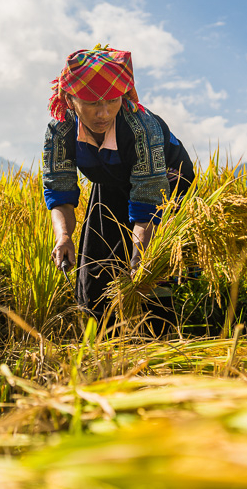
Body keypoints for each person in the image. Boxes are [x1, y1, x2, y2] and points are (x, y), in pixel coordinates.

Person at [42, 45, 194, 324]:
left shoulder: (141, 128)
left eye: (111, 101)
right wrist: (63, 236)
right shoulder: (60, 130)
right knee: (98, 258)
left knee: (150, 268)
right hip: (111, 180)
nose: (103, 114)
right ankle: (102, 334)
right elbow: (59, 190)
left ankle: (159, 335)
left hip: (168, 183)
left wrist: (141, 257)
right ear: (71, 99)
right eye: (91, 103)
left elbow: (149, 200)